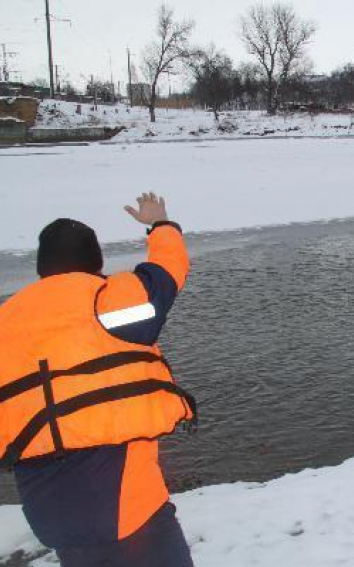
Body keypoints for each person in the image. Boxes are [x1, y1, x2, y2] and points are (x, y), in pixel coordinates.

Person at [0, 193, 197, 567]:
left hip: (46, 508)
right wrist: (161, 225)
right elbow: (167, 274)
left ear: (42, 267)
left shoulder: (5, 319)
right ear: (97, 262)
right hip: (121, 501)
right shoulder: (107, 300)